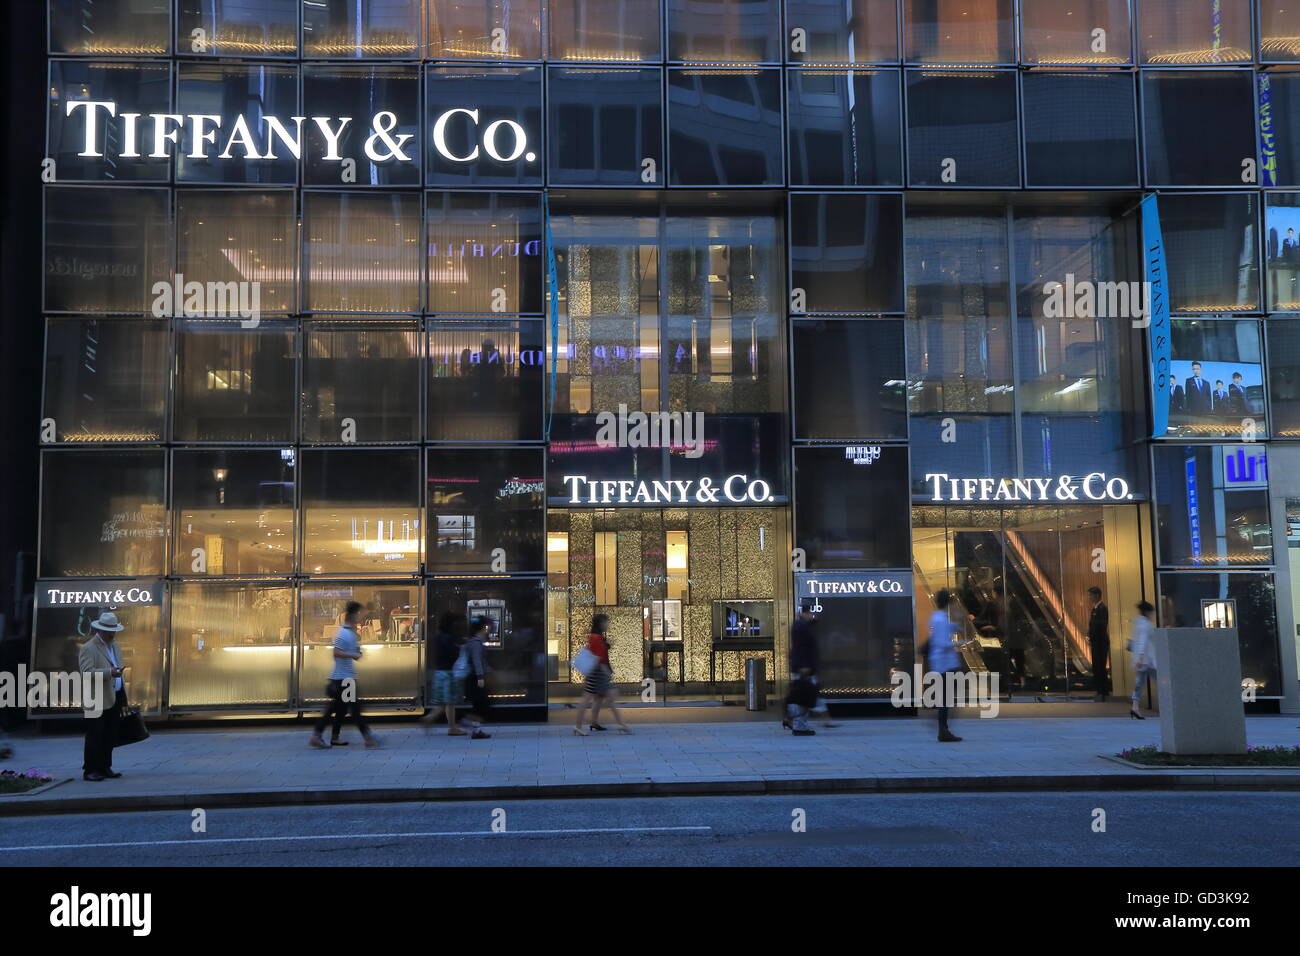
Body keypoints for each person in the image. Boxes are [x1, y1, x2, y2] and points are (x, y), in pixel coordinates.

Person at [310, 601, 380, 750]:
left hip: (343, 677)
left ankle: (330, 737)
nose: (361, 618)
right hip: (345, 679)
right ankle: (368, 737)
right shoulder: (344, 633)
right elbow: (336, 652)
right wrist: (353, 654)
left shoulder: (349, 633)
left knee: (339, 709)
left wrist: (355, 653)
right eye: (359, 615)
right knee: (354, 709)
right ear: (353, 615)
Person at [78, 611, 128, 781]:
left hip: (115, 694)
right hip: (96, 698)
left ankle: (105, 766)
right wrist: (109, 673)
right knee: (95, 734)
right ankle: (90, 769)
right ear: (100, 630)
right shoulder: (88, 648)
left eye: (114, 630)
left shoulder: (115, 645)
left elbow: (119, 668)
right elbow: (86, 673)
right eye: (109, 631)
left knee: (110, 733)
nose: (112, 634)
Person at [574, 614, 630, 735]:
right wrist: (606, 674)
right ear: (600, 624)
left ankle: (591, 723)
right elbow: (599, 658)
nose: (608, 624)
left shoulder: (595, 637)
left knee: (597, 698)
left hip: (596, 672)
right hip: (599, 672)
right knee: (606, 698)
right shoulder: (597, 638)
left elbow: (598, 652)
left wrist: (607, 645)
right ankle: (622, 725)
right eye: (606, 622)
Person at [924, 590, 962, 742]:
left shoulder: (938, 618)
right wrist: (959, 643)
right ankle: (942, 729)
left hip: (943, 663)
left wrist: (955, 626)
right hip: (944, 663)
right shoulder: (940, 619)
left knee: (946, 697)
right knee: (946, 698)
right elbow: (941, 643)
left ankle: (943, 728)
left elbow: (947, 628)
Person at [421, 612, 467, 736]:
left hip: (439, 673)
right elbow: (453, 654)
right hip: (449, 673)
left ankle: (429, 718)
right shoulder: (449, 638)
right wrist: (460, 647)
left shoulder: (438, 637)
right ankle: (452, 727)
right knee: (450, 702)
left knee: (442, 703)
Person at [784, 601, 821, 736]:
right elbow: (802, 648)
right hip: (803, 667)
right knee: (803, 697)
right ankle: (798, 725)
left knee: (801, 695)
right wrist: (804, 666)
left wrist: (813, 621)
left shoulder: (800, 625)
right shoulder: (800, 627)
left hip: (802, 666)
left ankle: (793, 720)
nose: (812, 614)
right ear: (804, 613)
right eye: (810, 612)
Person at [461, 617, 493, 739]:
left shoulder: (473, 641)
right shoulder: (475, 643)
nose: (488, 630)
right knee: (482, 705)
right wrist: (480, 676)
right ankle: (467, 721)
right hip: (475, 678)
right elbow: (477, 661)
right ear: (481, 628)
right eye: (486, 627)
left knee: (478, 705)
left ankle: (476, 730)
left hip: (474, 677)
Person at [1129, 601, 1157, 719]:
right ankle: (1168, 707)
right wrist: (1141, 657)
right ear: (1147, 612)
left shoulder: (1138, 623)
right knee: (1161, 682)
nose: (1152, 614)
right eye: (1151, 611)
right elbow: (1142, 641)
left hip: (1141, 659)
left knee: (1139, 683)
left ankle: (1135, 707)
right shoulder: (1145, 624)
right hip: (1147, 659)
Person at [1087, 586, 1110, 701]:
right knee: (1096, 666)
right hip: (1096, 642)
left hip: (1100, 643)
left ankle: (1103, 691)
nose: (1089, 597)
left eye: (1090, 595)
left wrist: (1093, 637)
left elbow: (1100, 627)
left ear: (1097, 595)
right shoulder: (1094, 609)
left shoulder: (1102, 608)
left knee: (1100, 666)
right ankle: (1100, 690)